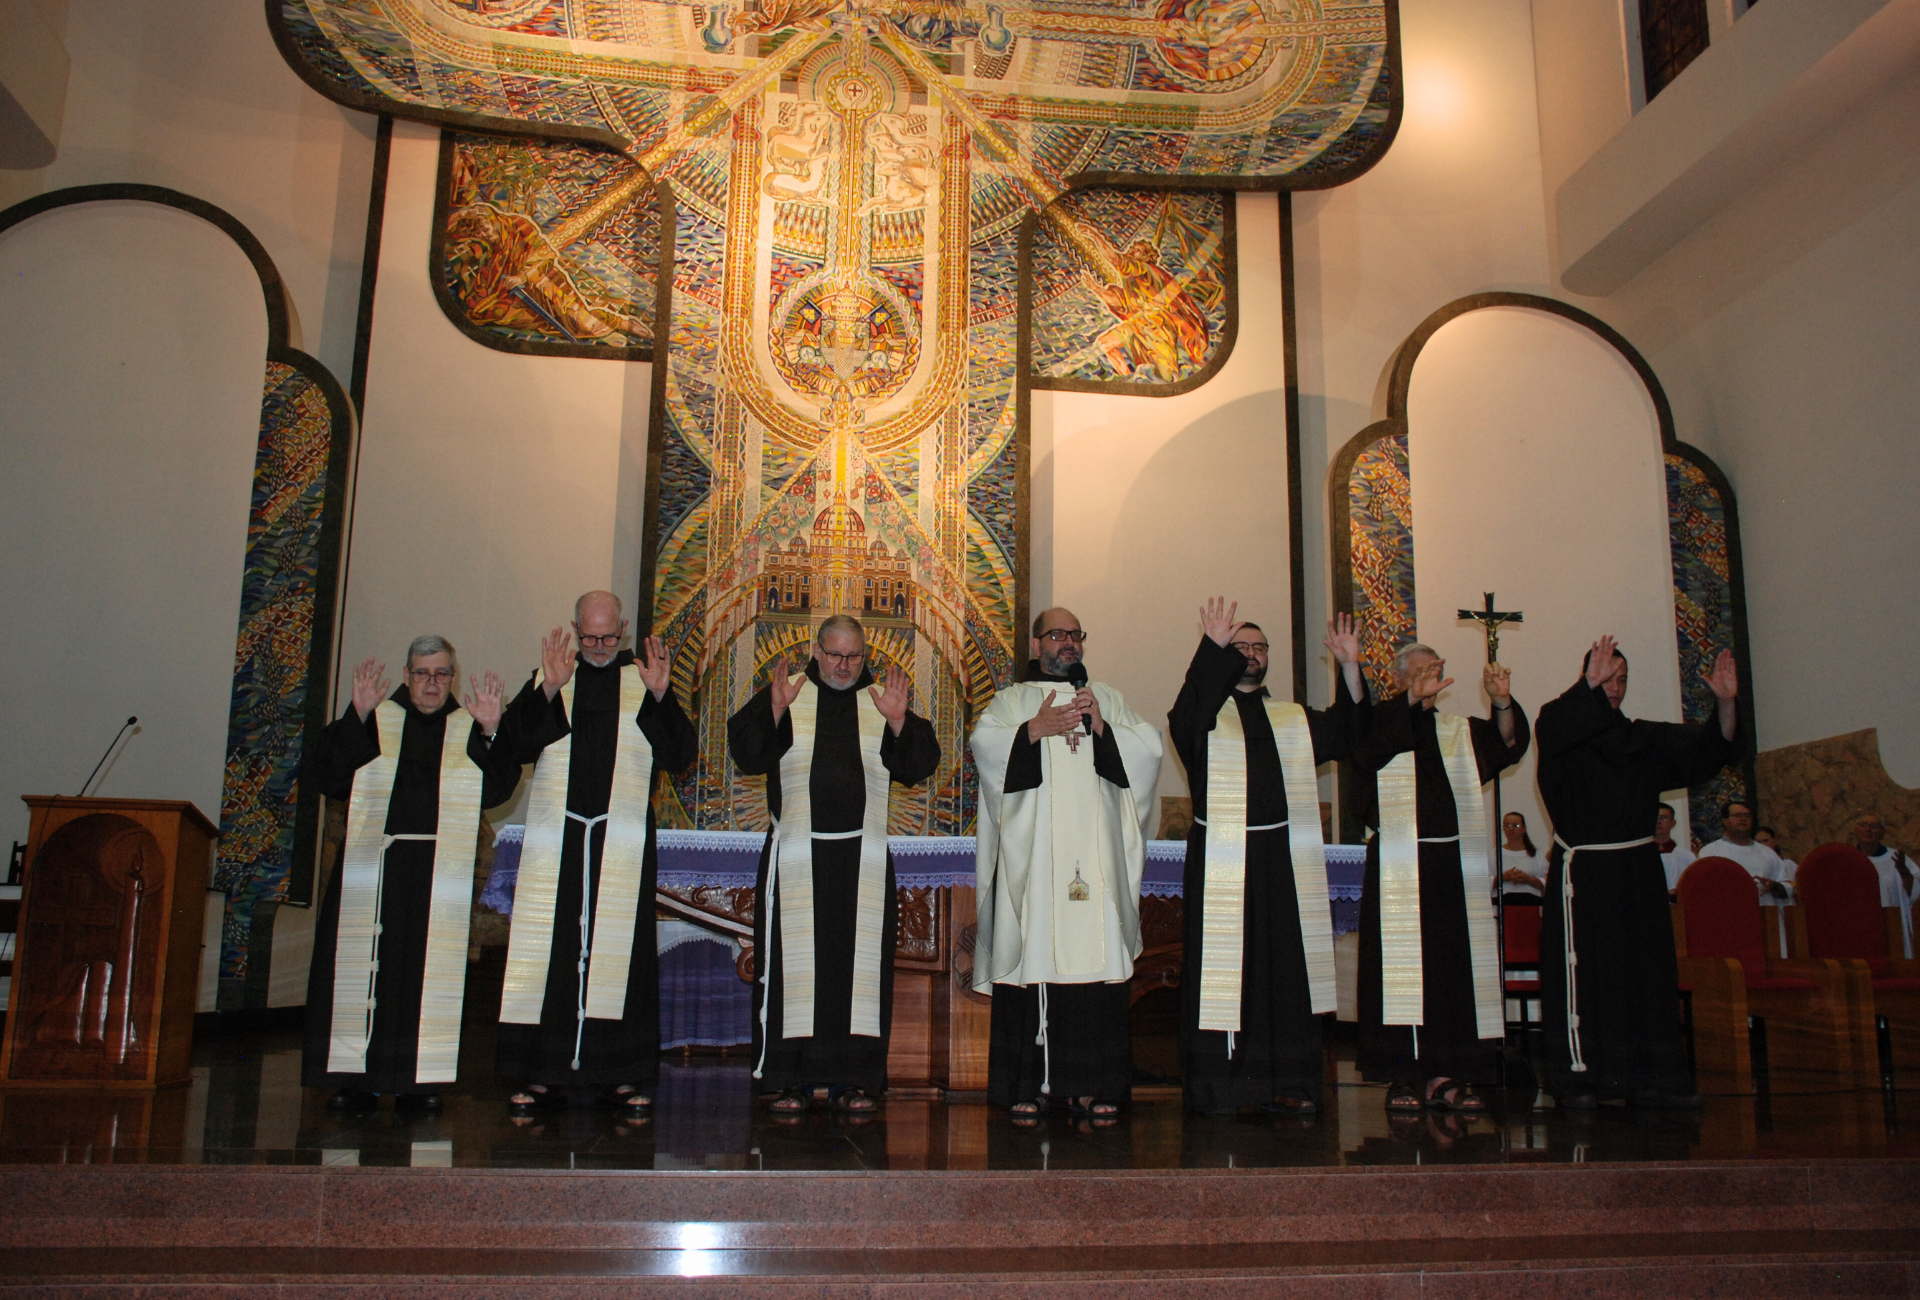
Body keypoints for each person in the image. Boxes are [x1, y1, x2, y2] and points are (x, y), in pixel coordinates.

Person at [491, 591, 698, 1117]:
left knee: (622, 958)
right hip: (557, 842)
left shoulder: (643, 678)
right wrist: (550, 690)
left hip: (621, 840)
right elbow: (511, 752)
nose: (600, 647)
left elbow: (681, 758)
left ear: (623, 630)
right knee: (551, 952)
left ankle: (623, 1073)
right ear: (575, 630)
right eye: (590, 638)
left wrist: (659, 698)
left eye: (609, 637)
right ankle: (542, 1073)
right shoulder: (552, 678)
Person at [728, 614, 940, 1114]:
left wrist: (898, 723)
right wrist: (774, 712)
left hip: (861, 862)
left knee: (857, 972)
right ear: (817, 651)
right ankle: (788, 1078)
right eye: (835, 655)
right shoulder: (790, 693)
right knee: (790, 971)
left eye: (854, 657)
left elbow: (919, 766)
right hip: (797, 858)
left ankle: (855, 1079)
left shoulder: (881, 702)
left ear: (865, 656)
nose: (844, 666)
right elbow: (748, 754)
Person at [302, 636, 522, 1111]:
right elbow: (329, 777)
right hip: (373, 869)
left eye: (441, 674)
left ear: (452, 677)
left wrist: (491, 732)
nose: (431, 683)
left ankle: (420, 1080)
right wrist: (355, 716)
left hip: (437, 874)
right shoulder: (377, 719)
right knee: (365, 973)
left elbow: (496, 790)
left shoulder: (465, 728)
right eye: (422, 673)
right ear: (406, 675)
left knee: (425, 976)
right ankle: (354, 1078)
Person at [1167, 599, 1367, 1116]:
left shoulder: (1293, 719)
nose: (1252, 654)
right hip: (1222, 861)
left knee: (1284, 972)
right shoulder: (1205, 719)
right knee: (1226, 974)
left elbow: (1355, 736)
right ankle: (1220, 1088)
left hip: (1283, 864)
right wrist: (1212, 648)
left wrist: (1350, 667)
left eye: (1259, 646)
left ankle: (1290, 1080)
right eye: (1241, 647)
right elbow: (1185, 713)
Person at [971, 607, 1163, 1123]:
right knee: (1033, 958)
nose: (1068, 643)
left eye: (1075, 634)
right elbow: (985, 748)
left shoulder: (1107, 699)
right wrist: (1030, 731)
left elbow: (1148, 754)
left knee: (1096, 964)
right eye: (1056, 634)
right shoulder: (1011, 702)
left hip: (1094, 867)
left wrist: (1103, 728)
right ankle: (1025, 1088)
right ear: (1036, 646)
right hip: (1036, 868)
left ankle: (1093, 1087)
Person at [1534, 636, 1741, 1110]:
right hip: (1583, 879)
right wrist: (1589, 682)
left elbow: (1709, 748)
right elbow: (1556, 721)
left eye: (1621, 679)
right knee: (1590, 980)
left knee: (1645, 977)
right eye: (1605, 676)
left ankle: (1653, 1079)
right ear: (1586, 678)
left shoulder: (1644, 739)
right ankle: (1580, 1080)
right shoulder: (1561, 730)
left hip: (1638, 875)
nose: (1614, 686)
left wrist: (1726, 703)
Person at [1350, 642, 1527, 1116]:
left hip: (1453, 871)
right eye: (1423, 670)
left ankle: (1450, 1075)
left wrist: (1503, 701)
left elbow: (1508, 747)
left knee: (1453, 974)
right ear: (1400, 678)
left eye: (1438, 669)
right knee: (1399, 975)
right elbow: (1364, 756)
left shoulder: (1459, 732)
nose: (1434, 676)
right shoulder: (1381, 726)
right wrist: (1409, 701)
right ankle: (1403, 1075)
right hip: (1397, 870)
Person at [1852, 812, 1917, 959]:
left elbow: (1915, 890)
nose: (1868, 830)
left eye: (1874, 826)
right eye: (1863, 825)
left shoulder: (1896, 858)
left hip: (1890, 926)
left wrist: (1904, 871)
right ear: (1855, 830)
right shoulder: (1847, 859)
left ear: (1883, 833)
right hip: (1857, 924)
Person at [1697, 800, 1788, 900]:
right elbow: (1704, 888)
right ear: (1725, 821)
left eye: (1747, 816)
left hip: (1766, 910)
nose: (1743, 819)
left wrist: (1773, 886)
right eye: (1737, 815)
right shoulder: (1710, 852)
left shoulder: (1768, 853)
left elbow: (1787, 884)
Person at [1754, 825, 1798, 959]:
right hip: (1767, 912)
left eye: (1766, 841)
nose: (1763, 845)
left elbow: (1795, 887)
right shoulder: (1756, 865)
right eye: (1758, 842)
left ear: (1774, 841)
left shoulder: (1788, 865)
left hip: (1788, 912)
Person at [1499, 812, 1544, 905]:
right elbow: (1486, 882)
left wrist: (1528, 879)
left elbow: (1548, 881)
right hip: (1503, 905)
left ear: (1524, 829)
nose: (1511, 828)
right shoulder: (1495, 854)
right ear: (1503, 829)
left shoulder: (1535, 854)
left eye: (1516, 825)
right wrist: (1504, 877)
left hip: (1531, 905)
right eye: (1507, 825)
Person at [1655, 802, 1694, 895]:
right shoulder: (1638, 855)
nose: (1658, 821)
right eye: (1654, 817)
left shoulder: (1686, 856)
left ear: (1673, 823)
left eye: (1663, 817)